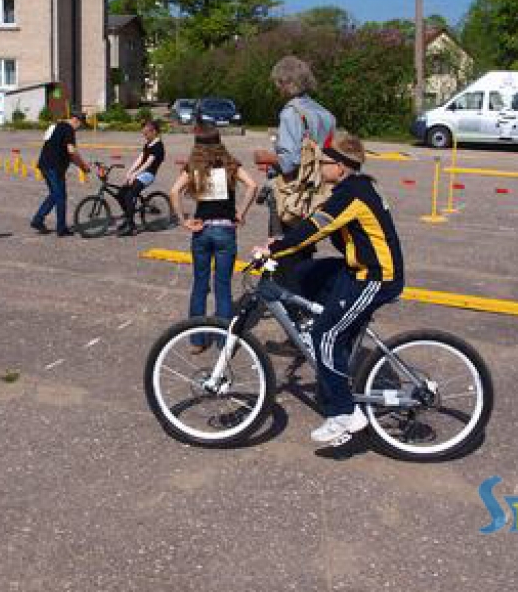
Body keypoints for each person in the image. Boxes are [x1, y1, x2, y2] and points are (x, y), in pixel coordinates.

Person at [254, 133, 404, 444]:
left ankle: (344, 413)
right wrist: (283, 246)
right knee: (306, 275)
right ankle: (331, 349)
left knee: (327, 333)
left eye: (324, 162)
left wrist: (277, 248)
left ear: (340, 166)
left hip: (375, 277)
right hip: (356, 268)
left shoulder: (351, 194)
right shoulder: (353, 188)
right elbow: (325, 225)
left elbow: (316, 228)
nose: (320, 166)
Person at [170, 126, 259, 354]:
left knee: (200, 285)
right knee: (223, 287)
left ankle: (198, 340)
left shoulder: (194, 166)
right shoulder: (230, 165)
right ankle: (224, 342)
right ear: (220, 142)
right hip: (225, 231)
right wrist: (241, 212)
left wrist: (184, 220)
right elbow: (253, 185)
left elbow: (174, 192)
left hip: (202, 230)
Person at [259, 55, 337, 289]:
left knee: (284, 250)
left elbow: (289, 162)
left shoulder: (291, 112)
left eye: (278, 83)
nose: (277, 88)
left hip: (292, 194)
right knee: (304, 246)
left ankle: (289, 302)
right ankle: (305, 297)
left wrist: (265, 157)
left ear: (286, 82)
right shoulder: (325, 114)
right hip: (318, 192)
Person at [32, 109, 91, 236]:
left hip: (44, 165)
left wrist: (80, 165)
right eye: (80, 125)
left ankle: (38, 219)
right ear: (76, 120)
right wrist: (83, 166)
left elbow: (68, 154)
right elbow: (71, 151)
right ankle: (61, 228)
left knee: (54, 194)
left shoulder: (57, 126)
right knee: (61, 197)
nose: (79, 129)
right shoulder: (69, 129)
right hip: (54, 167)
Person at [117, 119, 165, 237]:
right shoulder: (148, 144)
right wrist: (130, 172)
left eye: (146, 134)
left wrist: (135, 174)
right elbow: (140, 159)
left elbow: (148, 163)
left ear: (154, 132)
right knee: (120, 193)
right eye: (143, 134)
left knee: (129, 195)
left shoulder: (158, 146)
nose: (145, 136)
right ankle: (128, 218)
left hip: (148, 174)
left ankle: (131, 227)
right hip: (141, 172)